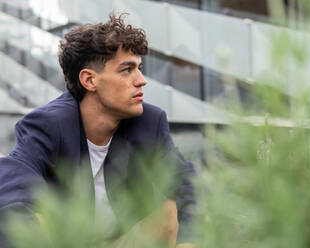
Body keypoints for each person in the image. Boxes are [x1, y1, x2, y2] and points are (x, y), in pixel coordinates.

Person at [0, 14, 195, 248]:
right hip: (65, 240)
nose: (141, 80)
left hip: (122, 240)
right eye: (127, 70)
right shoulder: (49, 125)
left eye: (139, 68)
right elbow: (13, 187)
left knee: (167, 210)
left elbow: (189, 186)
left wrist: (191, 241)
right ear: (89, 80)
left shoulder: (149, 122)